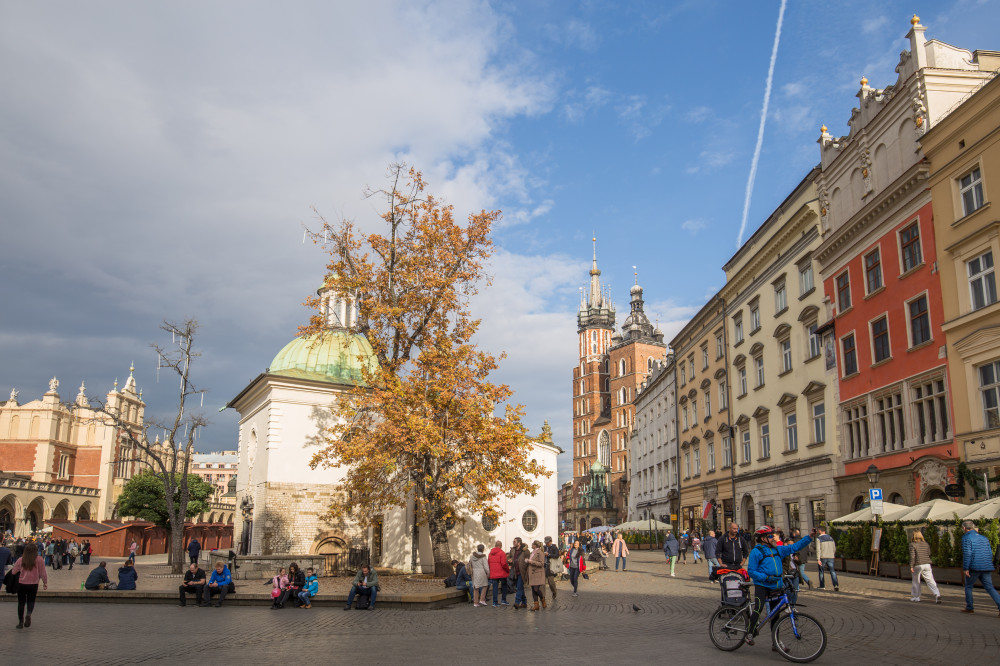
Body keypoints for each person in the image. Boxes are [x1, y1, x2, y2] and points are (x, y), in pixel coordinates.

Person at [746, 525, 812, 648]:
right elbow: (751, 571)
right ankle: (749, 633)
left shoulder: (778, 550)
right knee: (758, 608)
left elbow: (794, 547)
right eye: (770, 536)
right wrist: (765, 577)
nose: (774, 538)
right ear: (762, 538)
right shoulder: (756, 551)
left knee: (775, 615)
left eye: (774, 535)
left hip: (776, 585)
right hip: (762, 584)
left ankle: (775, 643)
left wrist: (809, 537)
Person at [961, 520, 1000, 615]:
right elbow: (990, 553)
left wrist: (966, 568)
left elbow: (967, 554)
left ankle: (970, 607)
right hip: (986, 566)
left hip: (974, 566)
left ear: (964, 528)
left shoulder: (966, 538)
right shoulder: (984, 538)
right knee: (990, 587)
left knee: (969, 586)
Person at [11, 542, 47, 629]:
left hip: (22, 583)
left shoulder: (21, 559)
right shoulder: (39, 559)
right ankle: (29, 613)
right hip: (33, 584)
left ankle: (20, 622)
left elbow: (13, 572)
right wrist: (45, 583)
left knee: (21, 603)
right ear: (36, 550)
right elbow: (43, 572)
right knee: (31, 601)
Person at [908, 530, 940, 604]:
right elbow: (929, 553)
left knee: (916, 581)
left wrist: (911, 566)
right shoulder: (926, 544)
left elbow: (912, 556)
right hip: (927, 564)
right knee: (930, 580)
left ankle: (916, 597)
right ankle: (937, 594)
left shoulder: (912, 544)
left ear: (913, 536)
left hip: (918, 564)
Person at [815, 526, 838, 592]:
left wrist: (818, 559)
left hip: (823, 557)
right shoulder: (831, 538)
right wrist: (832, 554)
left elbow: (818, 550)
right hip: (831, 557)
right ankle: (836, 585)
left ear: (820, 531)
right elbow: (834, 548)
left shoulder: (818, 539)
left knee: (821, 572)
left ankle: (822, 586)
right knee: (832, 571)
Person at [487, 540, 510, 607]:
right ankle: (503, 600)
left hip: (493, 573)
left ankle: (495, 602)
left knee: (495, 587)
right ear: (500, 546)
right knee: (504, 586)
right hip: (501, 572)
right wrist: (507, 569)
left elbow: (488, 563)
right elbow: (503, 563)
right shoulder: (502, 553)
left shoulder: (490, 553)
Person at [527, 540, 547, 611]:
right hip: (532, 573)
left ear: (535, 545)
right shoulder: (532, 552)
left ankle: (542, 599)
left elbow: (542, 564)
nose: (531, 545)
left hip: (538, 573)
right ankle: (536, 605)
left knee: (536, 589)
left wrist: (531, 562)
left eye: (532, 544)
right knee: (533, 589)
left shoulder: (540, 552)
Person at [508, 537, 527, 609]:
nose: (513, 542)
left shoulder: (525, 551)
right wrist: (509, 560)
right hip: (515, 571)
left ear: (519, 543)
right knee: (520, 587)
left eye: (515, 541)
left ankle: (517, 602)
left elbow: (527, 559)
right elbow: (509, 557)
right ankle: (524, 602)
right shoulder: (512, 550)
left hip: (522, 572)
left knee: (519, 587)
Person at [543, 536, 560, 600]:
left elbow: (557, 555)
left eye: (547, 542)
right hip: (544, 566)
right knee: (542, 582)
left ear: (550, 541)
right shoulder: (544, 547)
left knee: (550, 582)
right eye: (546, 542)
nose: (546, 544)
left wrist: (549, 554)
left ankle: (554, 591)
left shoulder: (554, 547)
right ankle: (543, 596)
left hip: (551, 566)